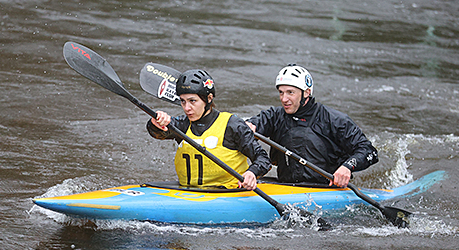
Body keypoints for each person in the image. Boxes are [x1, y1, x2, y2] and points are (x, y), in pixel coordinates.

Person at [246, 64, 378, 188]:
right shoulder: (274, 116)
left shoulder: (335, 120)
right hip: (287, 186)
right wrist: (247, 127)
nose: (284, 99)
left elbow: (369, 151)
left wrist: (348, 167)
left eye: (290, 92)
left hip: (325, 189)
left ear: (307, 92)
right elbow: (252, 125)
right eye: (281, 92)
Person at [147, 69, 271, 190]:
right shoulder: (183, 124)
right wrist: (155, 122)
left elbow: (263, 159)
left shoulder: (232, 125)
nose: (186, 108)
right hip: (188, 192)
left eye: (192, 101)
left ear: (209, 98)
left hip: (229, 193)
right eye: (183, 101)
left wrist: (251, 173)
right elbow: (157, 133)